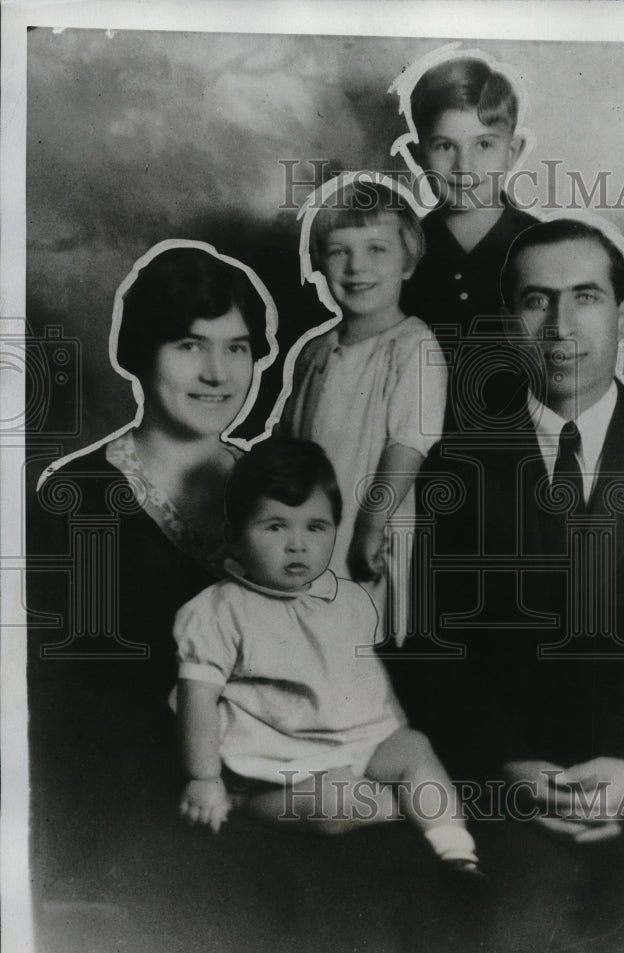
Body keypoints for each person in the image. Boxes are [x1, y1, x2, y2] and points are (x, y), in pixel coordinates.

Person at [397, 217, 624, 839]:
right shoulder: (455, 466)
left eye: (585, 297)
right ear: (509, 324)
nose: (560, 327)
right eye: (537, 301)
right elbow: (432, 649)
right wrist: (509, 765)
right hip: (510, 797)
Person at [28, 243, 276, 866]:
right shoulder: (77, 500)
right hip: (144, 818)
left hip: (279, 792)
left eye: (238, 348)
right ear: (141, 352)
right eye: (190, 345)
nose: (218, 374)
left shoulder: (280, 485)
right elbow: (66, 715)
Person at [171, 437, 482, 877]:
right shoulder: (220, 611)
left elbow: (370, 677)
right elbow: (198, 699)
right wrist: (204, 778)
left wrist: (393, 732)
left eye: (315, 527)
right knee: (338, 802)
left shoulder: (346, 599)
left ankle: (457, 852)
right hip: (275, 762)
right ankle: (252, 805)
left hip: (351, 742)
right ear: (234, 538)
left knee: (414, 747)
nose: (297, 544)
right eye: (275, 527)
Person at [277, 179, 447, 643]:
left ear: (407, 262)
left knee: (354, 635)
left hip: (365, 523)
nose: (356, 267)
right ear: (320, 262)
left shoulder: (412, 347)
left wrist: (372, 524)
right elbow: (288, 436)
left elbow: (407, 446)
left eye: (376, 249)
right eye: (339, 252)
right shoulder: (314, 350)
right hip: (305, 522)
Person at [395, 52, 539, 430]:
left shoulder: (543, 247)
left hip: (525, 450)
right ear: (417, 156)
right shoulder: (399, 251)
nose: (464, 167)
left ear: (513, 152)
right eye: (445, 146)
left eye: (484, 145)